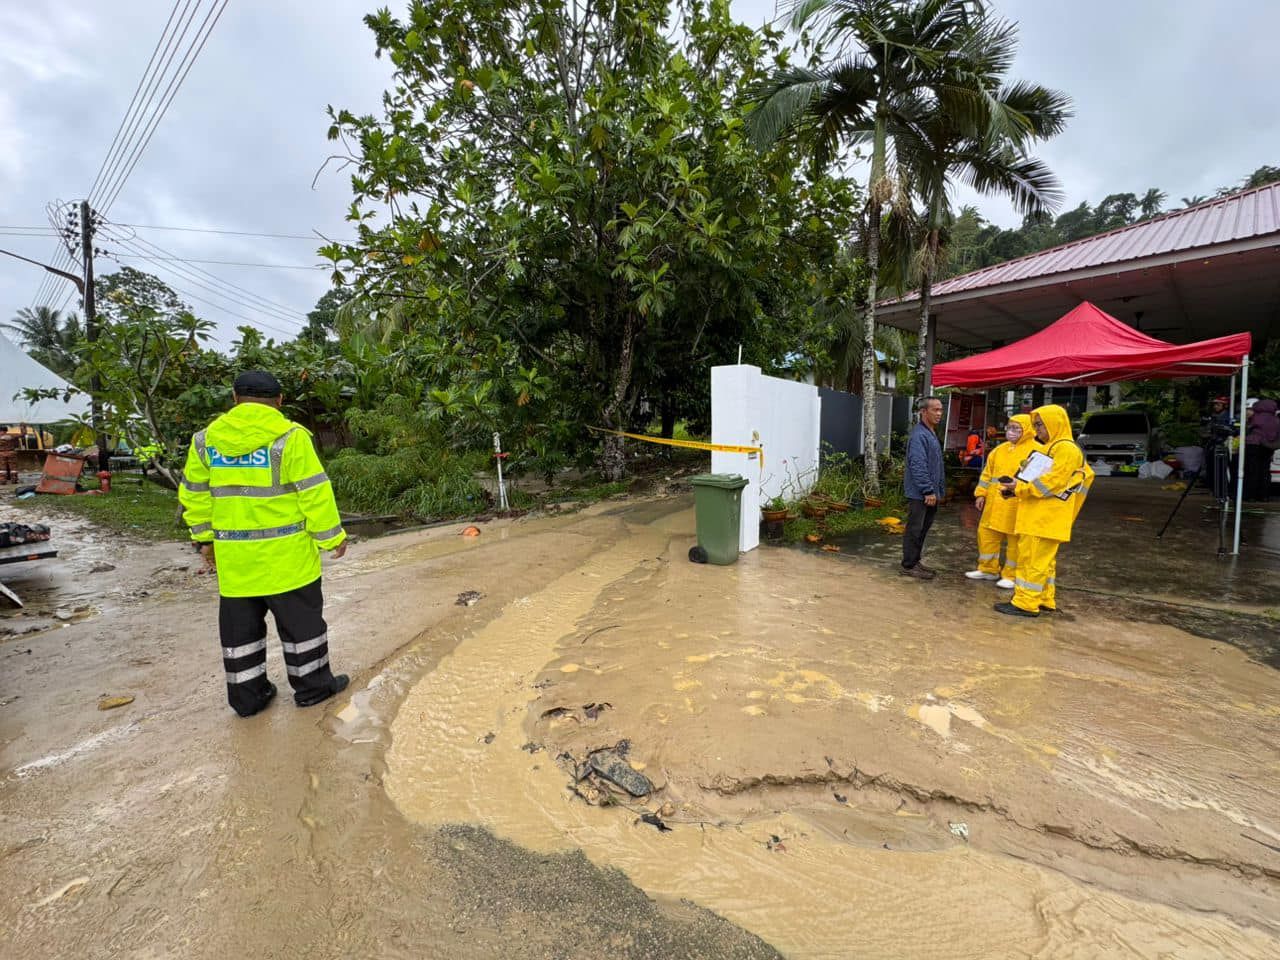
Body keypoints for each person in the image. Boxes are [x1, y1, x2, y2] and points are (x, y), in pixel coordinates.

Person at [179, 371, 350, 718]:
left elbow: (195, 495)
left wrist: (204, 540)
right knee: (303, 628)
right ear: (280, 400)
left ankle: (248, 698)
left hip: (235, 561)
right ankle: (313, 689)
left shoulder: (205, 442)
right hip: (287, 559)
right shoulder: (290, 437)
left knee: (240, 633)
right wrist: (332, 536)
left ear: (234, 398)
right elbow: (314, 491)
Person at [994, 404, 1094, 618]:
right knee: (1044, 563)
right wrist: (1017, 489)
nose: (1037, 429)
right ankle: (1044, 599)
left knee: (1032, 562)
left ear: (1054, 423)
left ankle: (1025, 603)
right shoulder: (1054, 448)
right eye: (1035, 425)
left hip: (1042, 519)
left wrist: (1019, 487)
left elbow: (1049, 484)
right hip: (1042, 518)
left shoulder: (1065, 449)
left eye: (1039, 424)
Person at [966, 414, 1036, 589]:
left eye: (1016, 428)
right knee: (987, 536)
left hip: (1015, 503)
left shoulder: (1035, 452)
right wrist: (980, 494)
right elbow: (987, 474)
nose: (1011, 431)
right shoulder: (1000, 450)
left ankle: (1011, 575)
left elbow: (1035, 479)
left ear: (1027, 430)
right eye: (1009, 427)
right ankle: (988, 569)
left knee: (1014, 540)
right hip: (993, 503)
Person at [901, 396, 945, 581]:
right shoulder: (919, 435)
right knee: (915, 529)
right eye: (935, 410)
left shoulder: (930, 433)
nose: (939, 414)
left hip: (930, 493)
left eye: (941, 410)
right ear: (923, 412)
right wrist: (927, 490)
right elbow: (918, 465)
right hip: (921, 494)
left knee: (923, 529)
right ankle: (909, 565)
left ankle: (915, 561)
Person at [1244, 398, 1278, 502]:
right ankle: (1264, 496)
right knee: (1265, 471)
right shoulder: (1276, 420)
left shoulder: (1256, 417)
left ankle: (1251, 496)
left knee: (1252, 470)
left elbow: (1248, 428)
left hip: (1253, 445)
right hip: (1268, 447)